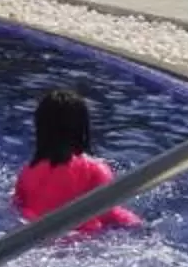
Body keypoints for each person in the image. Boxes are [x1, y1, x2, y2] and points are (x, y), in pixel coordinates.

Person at [12, 89, 140, 234]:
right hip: (84, 243)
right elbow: (109, 213)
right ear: (82, 126)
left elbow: (17, 208)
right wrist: (139, 225)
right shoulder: (95, 169)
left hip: (38, 242)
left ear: (40, 127)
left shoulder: (27, 172)